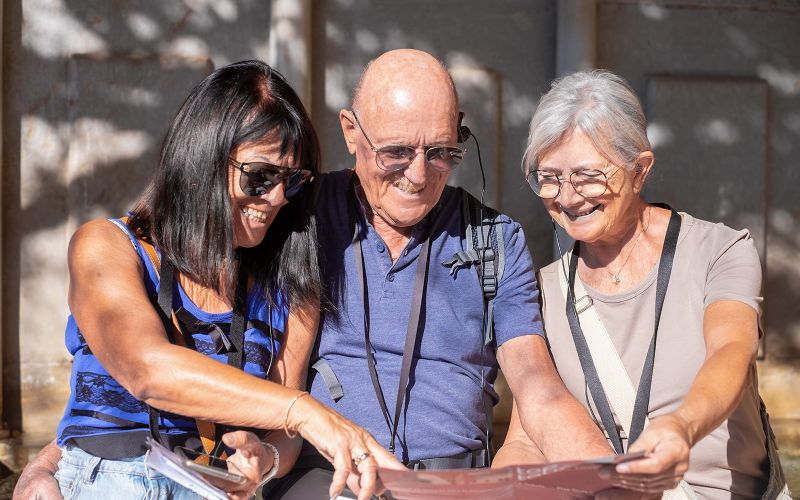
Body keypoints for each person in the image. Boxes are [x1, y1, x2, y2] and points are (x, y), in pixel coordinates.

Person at [13, 60, 400, 500]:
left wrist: (266, 458)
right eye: (260, 176)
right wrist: (304, 411)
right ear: (203, 161)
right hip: (111, 479)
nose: (277, 198)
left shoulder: (288, 284)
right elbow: (147, 370)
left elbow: (284, 433)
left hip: (211, 486)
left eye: (293, 181)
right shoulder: (108, 246)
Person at [265, 48, 616, 498]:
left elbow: (536, 385)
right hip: (327, 475)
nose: (418, 175)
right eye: (396, 152)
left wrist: (609, 480)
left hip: (452, 484)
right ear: (351, 131)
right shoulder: (301, 214)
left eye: (440, 153)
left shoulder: (494, 240)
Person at [499, 69, 789, 498]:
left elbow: (732, 350)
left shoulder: (718, 251)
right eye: (549, 177)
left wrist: (682, 426)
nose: (567, 196)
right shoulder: (540, 291)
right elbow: (525, 437)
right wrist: (503, 483)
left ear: (639, 170)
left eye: (588, 175)